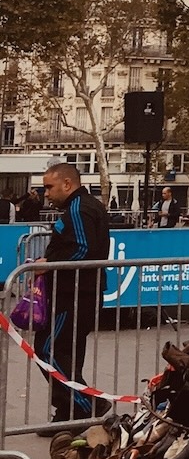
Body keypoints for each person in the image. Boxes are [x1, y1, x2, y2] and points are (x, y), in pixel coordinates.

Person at [38, 160, 110, 422]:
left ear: (67, 184)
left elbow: (82, 249)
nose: (46, 193)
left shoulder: (80, 208)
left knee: (48, 350)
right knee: (67, 353)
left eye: (49, 187)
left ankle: (86, 404)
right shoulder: (84, 206)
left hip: (75, 295)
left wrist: (48, 264)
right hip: (81, 293)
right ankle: (69, 412)